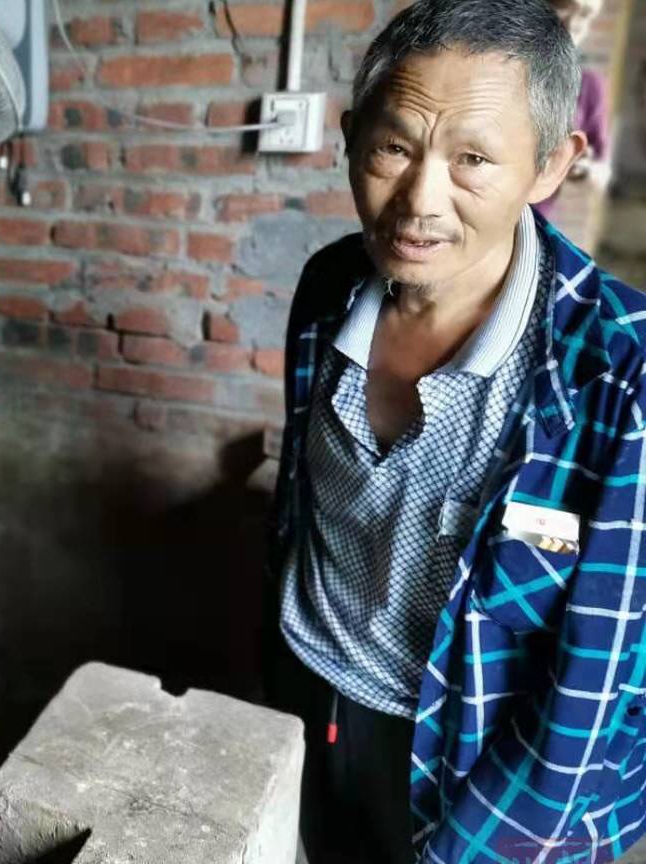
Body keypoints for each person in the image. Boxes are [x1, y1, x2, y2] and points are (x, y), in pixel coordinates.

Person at [266, 0, 646, 861]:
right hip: (311, 694)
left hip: (472, 767)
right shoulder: (330, 289)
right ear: (352, 138)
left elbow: (594, 687)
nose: (418, 202)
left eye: (472, 159)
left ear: (551, 166)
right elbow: (299, 506)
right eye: (394, 148)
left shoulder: (621, 374)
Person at [533, 0, 613, 220]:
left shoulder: (589, 85)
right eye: (562, 7)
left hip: (532, 224)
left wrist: (583, 167)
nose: (573, 24)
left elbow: (602, 172)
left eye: (585, 15)